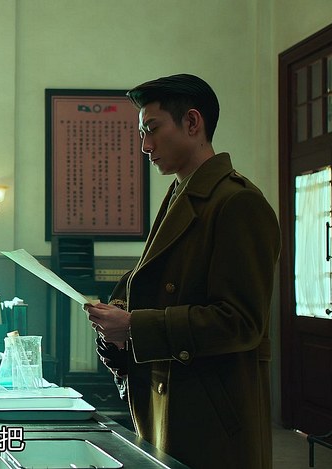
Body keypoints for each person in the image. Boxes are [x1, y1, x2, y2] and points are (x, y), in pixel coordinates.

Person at [84, 74, 280, 469]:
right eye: (142, 133)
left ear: (192, 123)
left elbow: (241, 322)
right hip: (176, 403)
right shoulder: (182, 193)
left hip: (212, 417)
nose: (145, 146)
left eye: (153, 129)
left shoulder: (237, 202)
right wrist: (119, 320)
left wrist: (135, 327)